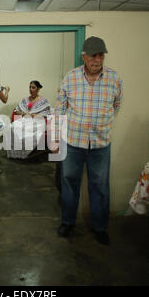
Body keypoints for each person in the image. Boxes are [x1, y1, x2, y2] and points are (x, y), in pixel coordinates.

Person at [52, 36, 123, 245]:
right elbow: (60, 109)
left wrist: (101, 123)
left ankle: (100, 227)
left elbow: (116, 106)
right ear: (84, 56)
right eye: (93, 55)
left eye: (101, 55)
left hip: (100, 144)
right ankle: (68, 222)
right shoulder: (70, 78)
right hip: (73, 142)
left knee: (100, 185)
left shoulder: (114, 79)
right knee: (69, 183)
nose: (97, 59)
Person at [7, 80, 51, 159]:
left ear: (38, 89)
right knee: (12, 127)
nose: (31, 89)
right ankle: (16, 152)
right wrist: (24, 114)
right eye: (30, 87)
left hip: (37, 122)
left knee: (26, 131)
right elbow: (17, 111)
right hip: (25, 120)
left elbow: (45, 115)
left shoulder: (43, 101)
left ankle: (25, 151)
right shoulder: (25, 100)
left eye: (33, 87)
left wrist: (31, 115)